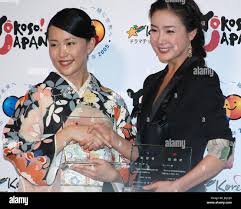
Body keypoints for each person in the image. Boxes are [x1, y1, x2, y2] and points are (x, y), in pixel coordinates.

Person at [74, 0, 235, 192]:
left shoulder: (201, 79)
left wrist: (177, 186)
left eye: (170, 31)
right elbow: (145, 153)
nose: (160, 40)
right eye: (154, 30)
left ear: (191, 33)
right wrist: (111, 137)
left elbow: (223, 150)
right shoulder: (152, 82)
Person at [2, 8, 135, 192]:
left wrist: (115, 175)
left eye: (70, 43)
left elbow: (134, 159)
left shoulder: (112, 101)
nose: (61, 53)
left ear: (90, 45)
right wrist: (67, 135)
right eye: (54, 44)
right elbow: (13, 147)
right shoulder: (36, 98)